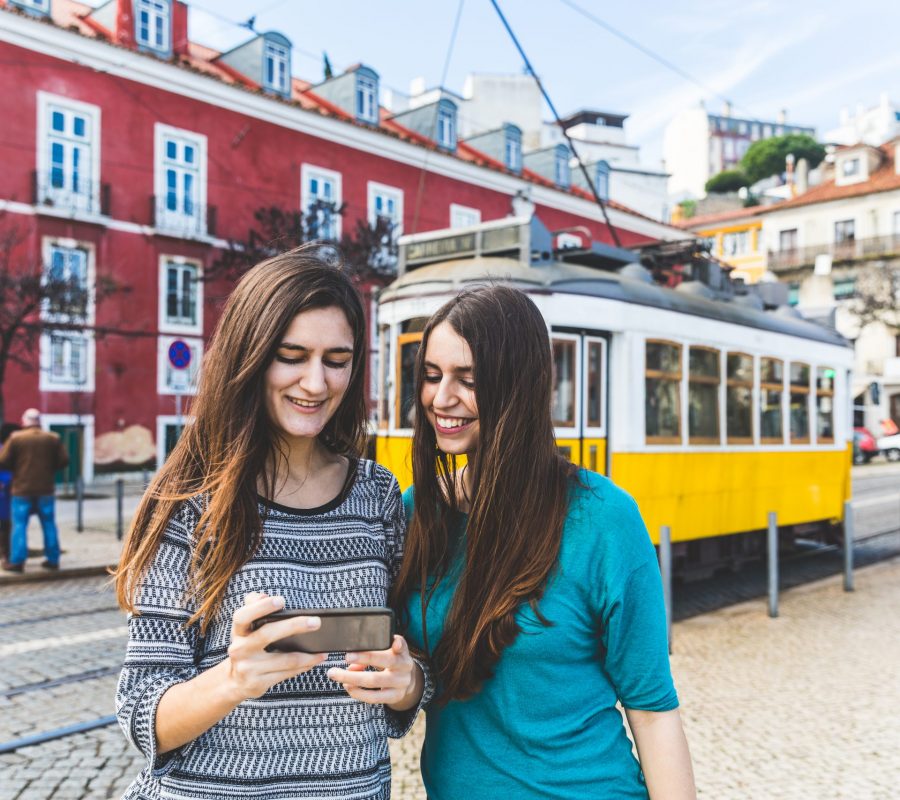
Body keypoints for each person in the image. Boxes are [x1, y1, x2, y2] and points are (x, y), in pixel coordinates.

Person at [113, 246, 430, 800]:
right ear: (250, 355)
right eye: (291, 355)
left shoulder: (378, 494)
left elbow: (410, 667)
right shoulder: (190, 500)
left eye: (337, 359)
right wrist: (233, 679)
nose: (315, 382)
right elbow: (144, 715)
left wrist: (407, 684)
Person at [389, 286, 696, 800]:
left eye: (468, 380)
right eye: (432, 375)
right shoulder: (416, 512)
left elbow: (652, 710)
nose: (441, 399)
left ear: (519, 387)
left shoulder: (604, 520)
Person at [0, 410, 68, 572]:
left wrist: (18, 470)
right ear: (39, 421)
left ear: (25, 422)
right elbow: (64, 461)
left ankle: (17, 561)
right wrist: (49, 469)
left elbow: (3, 461)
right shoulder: (53, 438)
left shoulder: (16, 438)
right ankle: (53, 559)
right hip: (46, 489)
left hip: (22, 489)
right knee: (49, 524)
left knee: (19, 525)